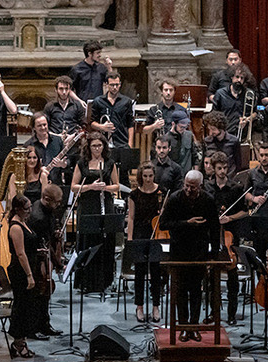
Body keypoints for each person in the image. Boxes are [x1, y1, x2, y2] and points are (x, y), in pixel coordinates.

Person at [159, 169, 220, 340]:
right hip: (179, 250)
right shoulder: (175, 199)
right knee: (180, 291)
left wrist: (214, 255)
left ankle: (194, 325)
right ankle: (183, 326)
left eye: (193, 187)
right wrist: (187, 223)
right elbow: (163, 224)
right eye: (186, 186)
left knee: (195, 291)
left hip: (199, 251)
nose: (188, 190)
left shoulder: (208, 200)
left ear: (200, 186)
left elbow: (215, 228)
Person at [71, 133, 118, 294]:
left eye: (100, 145)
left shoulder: (110, 163)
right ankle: (85, 282)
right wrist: (91, 187)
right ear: (88, 147)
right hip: (87, 206)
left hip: (105, 205)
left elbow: (117, 186)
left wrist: (104, 187)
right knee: (87, 242)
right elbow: (74, 187)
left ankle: (103, 282)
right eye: (94, 146)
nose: (97, 149)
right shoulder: (82, 163)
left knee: (104, 243)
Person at [206, 151, 246, 325]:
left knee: (232, 277)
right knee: (211, 278)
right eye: (219, 168)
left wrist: (229, 218)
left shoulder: (236, 188)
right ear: (213, 169)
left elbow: (245, 211)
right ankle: (213, 313)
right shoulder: (207, 188)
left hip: (231, 236)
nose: (223, 171)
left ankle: (231, 314)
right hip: (212, 236)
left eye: (225, 168)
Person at [127, 162, 165, 324]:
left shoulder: (161, 192)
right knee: (140, 273)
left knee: (156, 272)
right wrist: (129, 239)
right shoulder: (134, 195)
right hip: (140, 234)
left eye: (150, 176)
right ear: (140, 177)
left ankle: (156, 306)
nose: (148, 179)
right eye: (145, 176)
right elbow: (131, 218)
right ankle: (140, 306)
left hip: (156, 235)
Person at [6, 194, 43, 358]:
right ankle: (18, 343)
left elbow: (27, 247)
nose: (30, 211)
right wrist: (29, 275)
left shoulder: (23, 222)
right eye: (27, 208)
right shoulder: (15, 227)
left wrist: (37, 251)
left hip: (28, 267)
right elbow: (20, 254)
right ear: (18, 209)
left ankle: (21, 342)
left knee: (27, 306)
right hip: (20, 271)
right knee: (21, 306)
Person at [26, 185, 64, 337]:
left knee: (44, 293)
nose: (59, 205)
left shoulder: (44, 208)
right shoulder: (38, 217)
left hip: (41, 255)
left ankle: (44, 324)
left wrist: (55, 234)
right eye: (57, 202)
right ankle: (33, 328)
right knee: (37, 295)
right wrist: (58, 264)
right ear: (47, 199)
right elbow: (45, 245)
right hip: (35, 258)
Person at [87, 69, 135, 148]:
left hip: (122, 142)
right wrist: (102, 127)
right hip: (103, 144)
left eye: (117, 84)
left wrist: (130, 144)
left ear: (120, 84)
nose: (115, 87)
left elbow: (130, 124)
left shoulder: (127, 102)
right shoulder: (98, 101)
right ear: (106, 85)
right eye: (112, 85)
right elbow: (92, 123)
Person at [212, 65, 258, 136]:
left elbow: (255, 113)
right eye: (237, 77)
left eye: (242, 78)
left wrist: (247, 119)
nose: (239, 80)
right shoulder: (220, 94)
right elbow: (214, 114)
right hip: (225, 134)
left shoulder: (249, 95)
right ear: (231, 77)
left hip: (243, 133)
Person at [200, 110, 242, 175]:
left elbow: (238, 163)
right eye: (209, 129)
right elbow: (203, 163)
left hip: (229, 177)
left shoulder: (234, 141)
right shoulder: (207, 141)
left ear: (221, 128)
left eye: (213, 129)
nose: (210, 133)